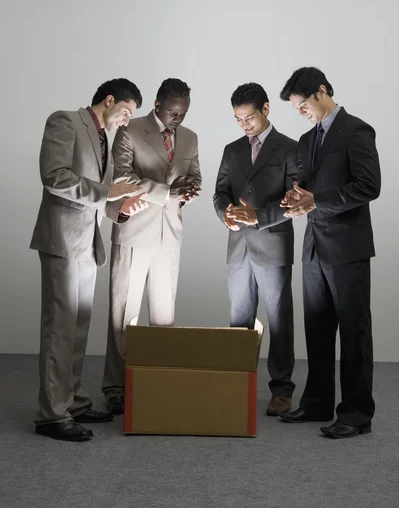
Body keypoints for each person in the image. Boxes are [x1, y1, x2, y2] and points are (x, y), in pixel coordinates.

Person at [30, 78, 148, 441]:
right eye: (126, 112)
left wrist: (122, 207)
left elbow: (101, 197)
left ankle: (74, 402)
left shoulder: (105, 140)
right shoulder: (65, 121)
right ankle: (52, 415)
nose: (126, 121)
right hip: (62, 240)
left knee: (78, 326)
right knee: (59, 329)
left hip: (87, 243)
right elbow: (54, 177)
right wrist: (108, 192)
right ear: (109, 100)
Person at [279, 66, 381, 439]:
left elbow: (369, 187)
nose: (301, 112)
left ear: (322, 91)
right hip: (314, 247)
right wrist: (294, 198)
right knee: (318, 330)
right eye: (296, 109)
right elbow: (307, 188)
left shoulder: (356, 131)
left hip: (348, 246)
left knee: (354, 332)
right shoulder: (307, 140)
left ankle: (356, 414)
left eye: (303, 105)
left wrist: (315, 201)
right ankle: (318, 402)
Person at [102, 77, 202, 414]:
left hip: (169, 236)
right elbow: (120, 177)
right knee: (123, 316)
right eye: (174, 112)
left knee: (164, 317)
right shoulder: (131, 131)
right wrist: (165, 193)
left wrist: (189, 190)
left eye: (184, 113)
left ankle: (157, 379)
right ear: (158, 105)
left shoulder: (190, 138)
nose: (179, 120)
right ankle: (116, 387)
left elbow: (194, 175)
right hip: (134, 232)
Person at [213, 82, 298, 416]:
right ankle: (238, 383)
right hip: (238, 247)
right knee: (239, 320)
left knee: (279, 321)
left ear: (266, 109)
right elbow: (220, 191)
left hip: (273, 246)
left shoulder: (290, 149)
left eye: (248, 117)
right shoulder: (232, 150)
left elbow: (295, 202)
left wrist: (258, 217)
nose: (243, 124)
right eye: (237, 119)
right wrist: (226, 215)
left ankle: (281, 390)